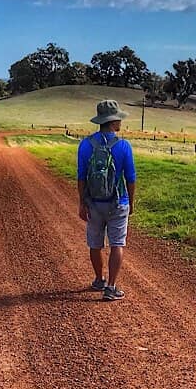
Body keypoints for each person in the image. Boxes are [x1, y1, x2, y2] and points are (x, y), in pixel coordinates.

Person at [77, 100, 136, 301]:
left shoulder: (85, 144)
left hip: (93, 203)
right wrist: (131, 203)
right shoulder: (123, 145)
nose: (120, 121)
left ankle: (98, 280)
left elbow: (81, 176)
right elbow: (131, 177)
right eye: (118, 118)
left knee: (95, 243)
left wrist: (81, 202)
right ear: (112, 122)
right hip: (118, 202)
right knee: (117, 243)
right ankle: (111, 287)